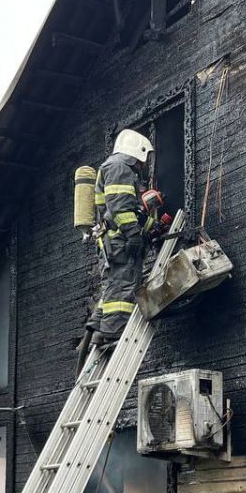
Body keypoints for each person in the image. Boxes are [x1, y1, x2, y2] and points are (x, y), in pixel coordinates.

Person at [77, 129, 167, 363]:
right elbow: (120, 208)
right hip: (118, 240)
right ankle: (114, 331)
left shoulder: (113, 167)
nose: (141, 165)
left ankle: (99, 328)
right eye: (142, 158)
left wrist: (151, 227)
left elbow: (128, 211)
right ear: (136, 151)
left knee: (112, 286)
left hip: (112, 238)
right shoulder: (119, 168)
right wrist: (133, 235)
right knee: (124, 284)